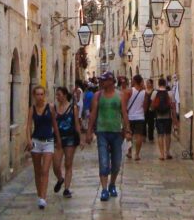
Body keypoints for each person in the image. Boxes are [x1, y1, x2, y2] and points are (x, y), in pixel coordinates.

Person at [85, 71, 131, 201]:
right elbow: (93, 114)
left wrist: (127, 130)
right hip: (102, 132)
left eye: (104, 80)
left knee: (116, 162)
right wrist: (89, 131)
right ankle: (104, 189)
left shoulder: (120, 96)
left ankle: (112, 184)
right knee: (103, 161)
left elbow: (124, 113)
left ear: (111, 81)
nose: (102, 82)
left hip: (117, 132)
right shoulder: (97, 96)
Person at [25, 85, 61, 209]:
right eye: (37, 94)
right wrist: (29, 140)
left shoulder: (50, 108)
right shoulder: (32, 109)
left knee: (45, 170)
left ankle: (43, 198)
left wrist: (58, 140)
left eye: (41, 94)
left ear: (44, 95)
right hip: (36, 141)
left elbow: (55, 125)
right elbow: (29, 125)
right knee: (37, 171)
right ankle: (39, 194)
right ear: (34, 96)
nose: (40, 97)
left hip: (48, 142)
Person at [52, 86, 83, 197]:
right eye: (56, 95)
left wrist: (81, 138)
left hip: (70, 137)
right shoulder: (54, 108)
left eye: (59, 94)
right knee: (55, 165)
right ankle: (60, 179)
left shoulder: (72, 108)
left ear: (65, 95)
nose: (57, 97)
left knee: (68, 163)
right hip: (57, 138)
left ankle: (66, 188)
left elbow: (76, 123)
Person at [151, 77, 178, 160]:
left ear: (158, 84)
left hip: (158, 117)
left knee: (160, 135)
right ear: (165, 84)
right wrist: (175, 120)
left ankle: (162, 154)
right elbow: (173, 107)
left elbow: (152, 106)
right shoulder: (170, 93)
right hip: (168, 117)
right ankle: (167, 152)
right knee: (168, 134)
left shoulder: (155, 93)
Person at [124, 74, 148, 161]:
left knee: (129, 135)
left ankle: (129, 152)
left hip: (130, 117)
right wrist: (142, 113)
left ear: (134, 81)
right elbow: (145, 105)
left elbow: (125, 104)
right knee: (139, 136)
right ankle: (137, 154)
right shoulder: (145, 92)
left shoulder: (129, 91)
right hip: (140, 117)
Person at [143, 78, 156, 143]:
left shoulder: (154, 91)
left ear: (151, 84)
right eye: (147, 83)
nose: (147, 84)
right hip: (144, 110)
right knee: (143, 124)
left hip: (151, 110)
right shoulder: (144, 91)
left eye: (148, 83)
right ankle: (144, 136)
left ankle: (151, 137)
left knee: (151, 124)